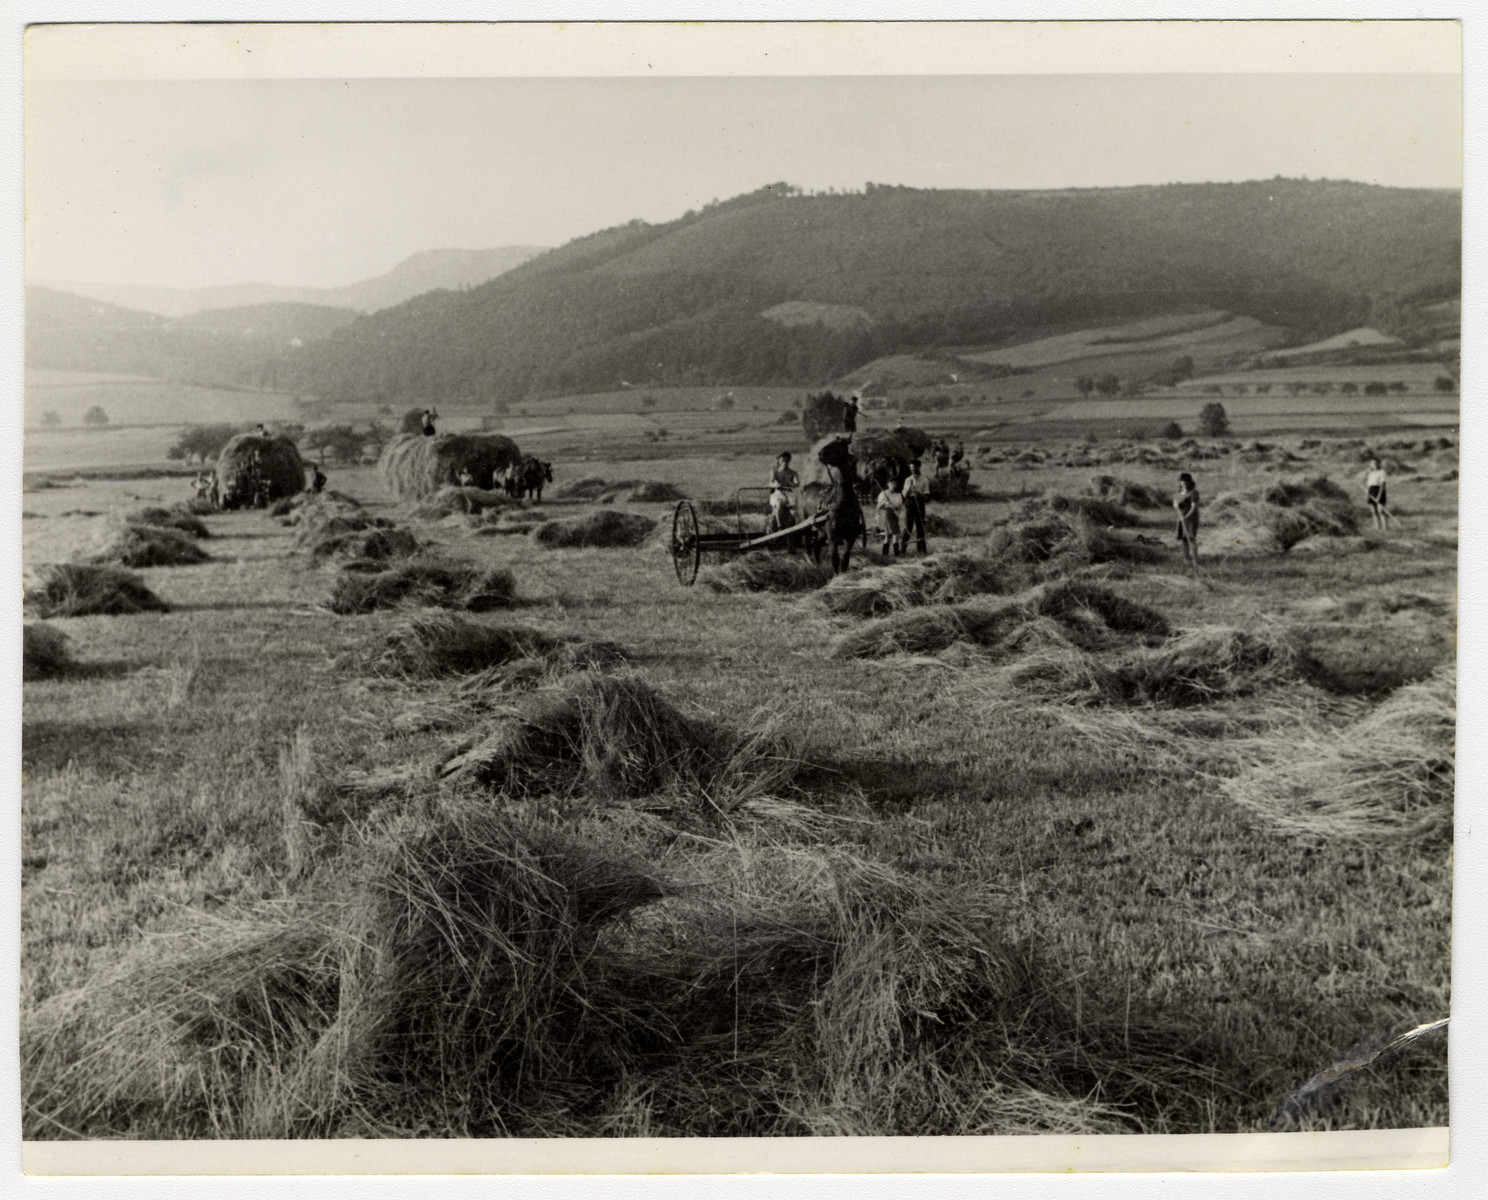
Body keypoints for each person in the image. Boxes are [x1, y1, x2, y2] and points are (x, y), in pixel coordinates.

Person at [900, 459, 929, 555]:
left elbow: (926, 496)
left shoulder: (924, 479)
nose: (912, 470)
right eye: (911, 468)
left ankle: (921, 550)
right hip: (910, 504)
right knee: (908, 526)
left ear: (918, 467)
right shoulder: (907, 479)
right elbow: (904, 495)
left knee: (920, 526)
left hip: (920, 504)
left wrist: (919, 493)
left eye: (914, 468)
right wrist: (909, 488)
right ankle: (903, 550)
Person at [1174, 471, 1201, 568]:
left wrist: (1186, 517)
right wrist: (1176, 505)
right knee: (1183, 539)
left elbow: (1194, 507)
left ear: (1189, 482)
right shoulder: (1179, 493)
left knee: (1191, 538)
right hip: (1181, 518)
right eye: (1182, 481)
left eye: (1185, 481)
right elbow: (1175, 503)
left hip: (1191, 519)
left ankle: (1195, 560)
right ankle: (1186, 559)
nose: (1183, 483)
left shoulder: (1194, 493)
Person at [767, 451, 799, 533]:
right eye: (783, 461)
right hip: (777, 494)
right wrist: (776, 484)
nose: (785, 463)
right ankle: (779, 526)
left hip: (789, 494)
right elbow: (771, 482)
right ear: (779, 461)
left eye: (787, 461)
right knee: (779, 504)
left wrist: (794, 484)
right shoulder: (775, 472)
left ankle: (798, 528)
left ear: (789, 461)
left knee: (795, 511)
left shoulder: (793, 473)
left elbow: (797, 482)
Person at [876, 476, 905, 556]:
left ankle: (886, 554)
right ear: (888, 484)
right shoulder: (883, 494)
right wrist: (885, 503)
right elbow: (879, 507)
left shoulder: (898, 495)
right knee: (894, 533)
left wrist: (898, 514)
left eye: (895, 484)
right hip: (886, 514)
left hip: (894, 515)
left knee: (889, 535)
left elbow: (899, 507)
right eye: (891, 483)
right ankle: (896, 553)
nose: (893, 485)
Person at [1364, 456, 1391, 530]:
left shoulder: (1382, 472)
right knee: (1373, 511)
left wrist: (1379, 496)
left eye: (1375, 463)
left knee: (1381, 510)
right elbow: (1368, 484)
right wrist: (1367, 492)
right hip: (1371, 491)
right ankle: (1377, 527)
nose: (1374, 465)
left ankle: (1385, 527)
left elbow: (1383, 485)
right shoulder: (1370, 473)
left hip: (1379, 491)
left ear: (1379, 464)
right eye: (1372, 463)